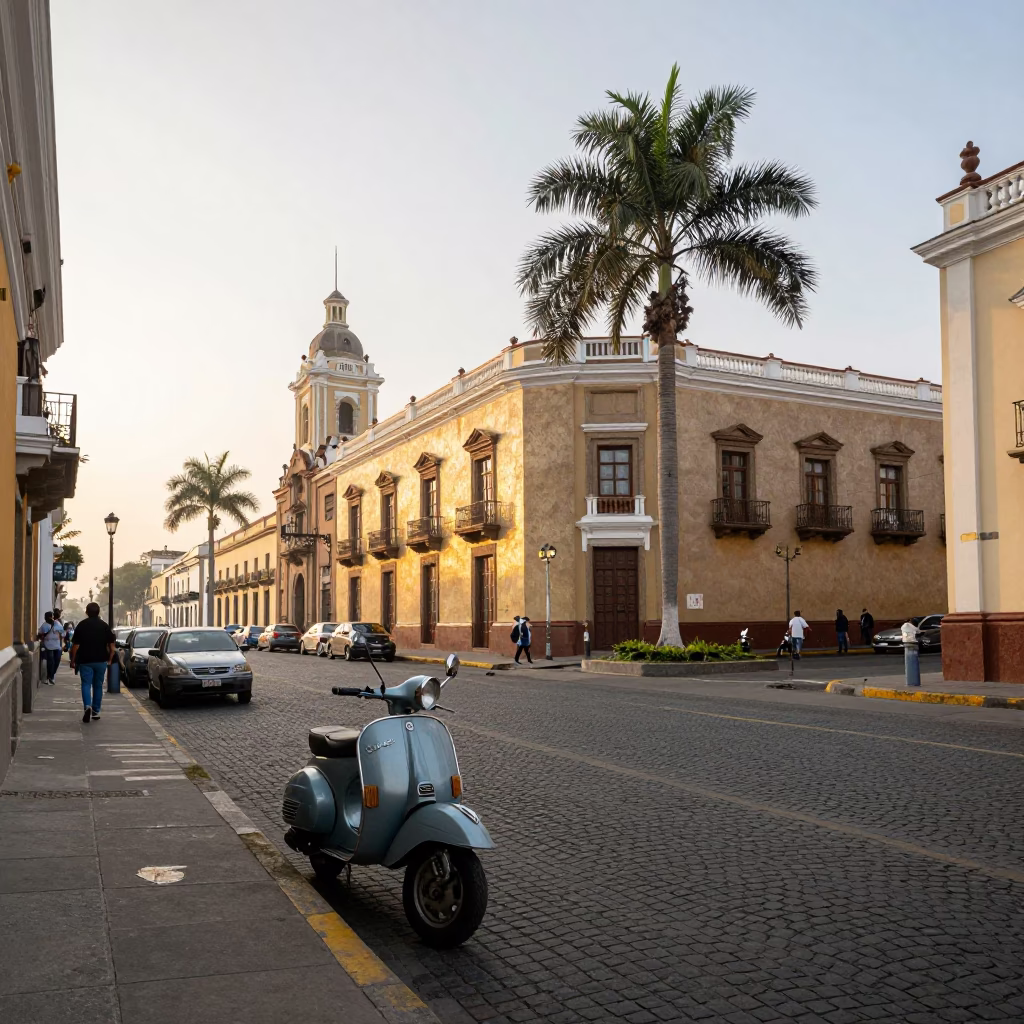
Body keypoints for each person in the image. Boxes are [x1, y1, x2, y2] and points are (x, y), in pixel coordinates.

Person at [69, 602, 115, 723]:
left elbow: (75, 646)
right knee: (98, 686)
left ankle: (87, 706)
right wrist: (110, 659)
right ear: (98, 612)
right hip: (101, 660)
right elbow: (112, 646)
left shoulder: (82, 625)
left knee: (85, 684)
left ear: (86, 612)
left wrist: (73, 660)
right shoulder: (104, 626)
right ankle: (96, 711)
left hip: (85, 660)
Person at [36, 611, 64, 684]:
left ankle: (51, 675)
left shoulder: (57, 624)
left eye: (50, 616)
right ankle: (50, 677)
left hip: (57, 646)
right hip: (48, 646)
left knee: (56, 661)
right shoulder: (44, 626)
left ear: (52, 617)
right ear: (45, 618)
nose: (48, 618)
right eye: (47, 617)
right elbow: (40, 634)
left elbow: (63, 633)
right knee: (51, 661)